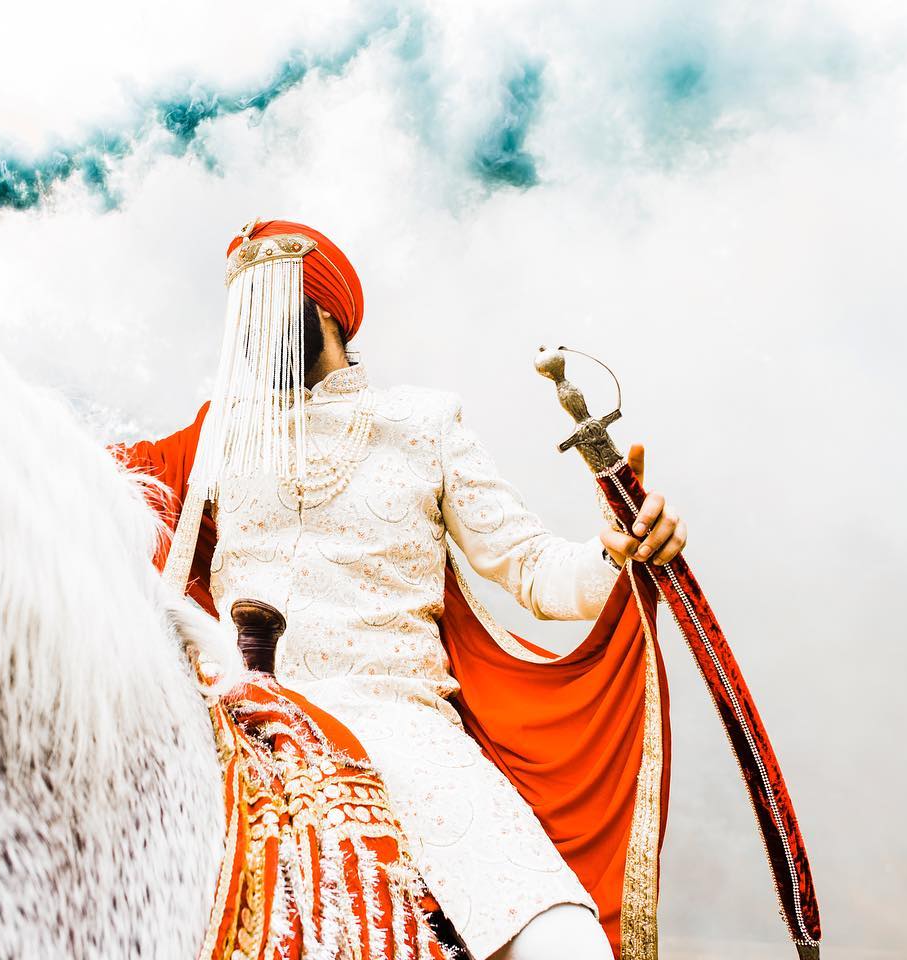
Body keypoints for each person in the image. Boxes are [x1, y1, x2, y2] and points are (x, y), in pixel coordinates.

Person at [117, 219, 685, 960]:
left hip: (404, 731)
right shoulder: (216, 436)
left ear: (324, 311)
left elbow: (537, 573)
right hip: (242, 730)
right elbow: (92, 495)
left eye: (264, 308)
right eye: (239, 317)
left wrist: (620, 554)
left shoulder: (424, 423)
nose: (248, 334)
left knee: (567, 946)